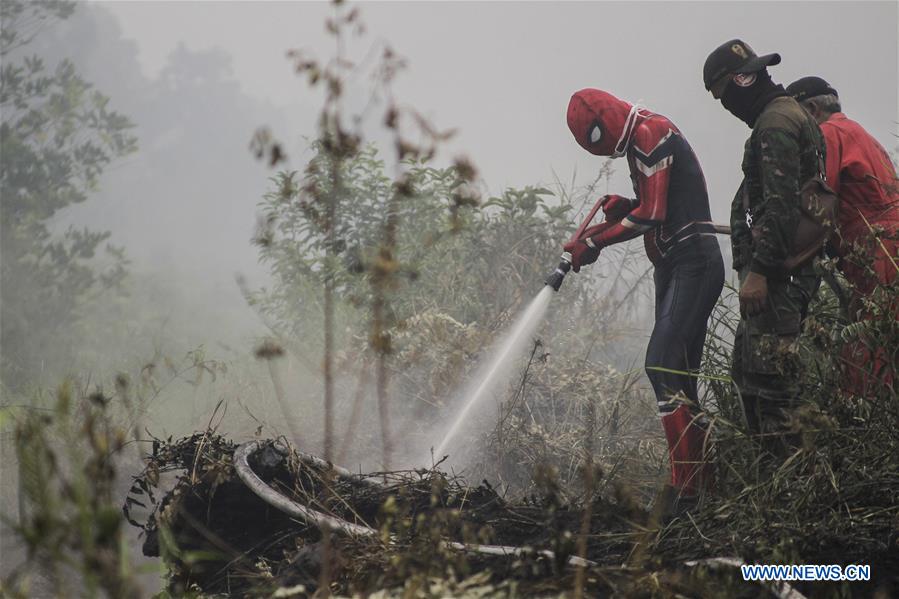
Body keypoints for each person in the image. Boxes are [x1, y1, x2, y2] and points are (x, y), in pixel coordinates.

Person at [563, 88, 724, 503]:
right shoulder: (639, 140)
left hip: (693, 262)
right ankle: (703, 487)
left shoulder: (652, 132)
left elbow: (652, 215)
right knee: (680, 376)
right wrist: (625, 205)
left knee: (662, 365)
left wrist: (595, 243)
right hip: (674, 266)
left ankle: (686, 489)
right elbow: (659, 204)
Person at [702, 40, 825, 456]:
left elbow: (780, 205)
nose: (725, 106)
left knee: (773, 389)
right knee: (748, 374)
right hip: (783, 275)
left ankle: (791, 487)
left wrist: (759, 271)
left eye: (723, 96)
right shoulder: (787, 115)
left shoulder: (775, 124)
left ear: (740, 82)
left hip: (777, 279)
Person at [786, 76, 899, 395]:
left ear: (811, 108)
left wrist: (784, 248)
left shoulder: (828, 134)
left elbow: (819, 202)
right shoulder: (859, 132)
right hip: (886, 248)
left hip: (879, 251)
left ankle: (869, 429)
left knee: (868, 353)